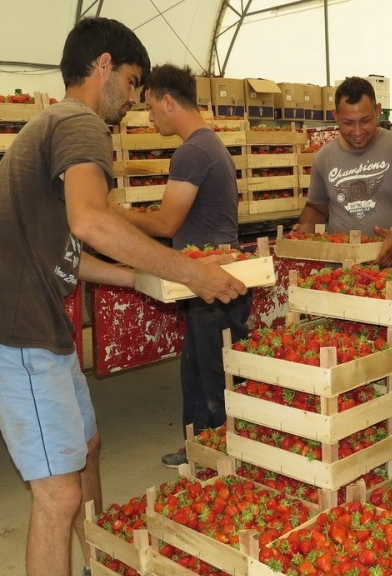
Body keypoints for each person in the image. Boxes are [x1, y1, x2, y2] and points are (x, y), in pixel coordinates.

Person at [0, 18, 246, 576]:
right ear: (106, 65)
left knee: (87, 445)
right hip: (17, 328)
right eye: (134, 85)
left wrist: (144, 280)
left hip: (32, 324)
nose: (131, 102)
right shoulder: (81, 124)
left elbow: (69, 251)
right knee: (56, 495)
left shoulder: (50, 127)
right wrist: (190, 272)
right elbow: (92, 220)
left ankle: (100, 570)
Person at [111, 64, 251, 468]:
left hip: (212, 280)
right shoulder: (210, 145)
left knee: (214, 372)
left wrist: (113, 213)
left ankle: (228, 456)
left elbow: (165, 223)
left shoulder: (192, 151)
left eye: (151, 106)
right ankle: (202, 448)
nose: (150, 116)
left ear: (169, 101)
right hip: (210, 276)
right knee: (200, 368)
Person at [295, 76, 392, 270]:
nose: (357, 131)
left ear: (377, 111)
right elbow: (317, 208)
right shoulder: (324, 157)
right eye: (348, 123)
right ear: (335, 116)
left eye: (365, 121)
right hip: (340, 275)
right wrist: (305, 228)